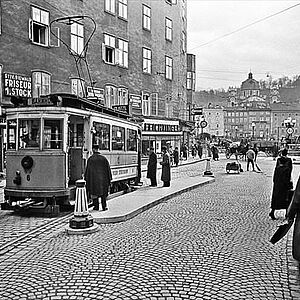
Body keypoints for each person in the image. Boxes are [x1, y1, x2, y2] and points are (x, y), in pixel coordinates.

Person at [84, 144, 112, 211]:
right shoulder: (104, 159)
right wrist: (109, 180)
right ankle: (104, 207)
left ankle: (96, 206)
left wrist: (86, 180)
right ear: (98, 149)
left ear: (93, 150)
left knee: (94, 194)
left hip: (94, 181)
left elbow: (87, 171)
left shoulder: (90, 159)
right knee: (103, 195)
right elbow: (108, 170)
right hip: (103, 181)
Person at [269, 148, 293, 220]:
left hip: (278, 181)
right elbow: (290, 170)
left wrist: (275, 179)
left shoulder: (278, 160)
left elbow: (276, 169)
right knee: (286, 197)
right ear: (287, 153)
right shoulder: (289, 160)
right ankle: (287, 213)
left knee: (276, 196)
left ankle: (272, 211)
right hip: (285, 181)